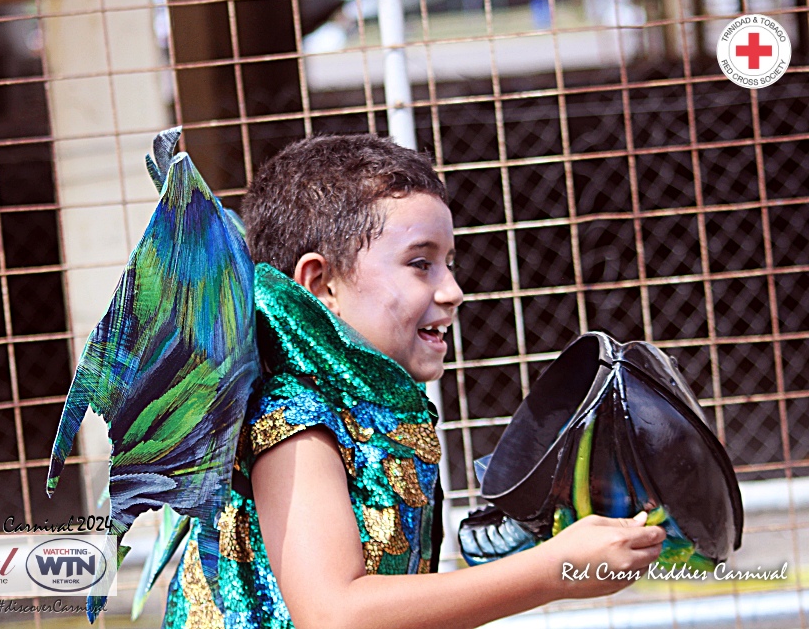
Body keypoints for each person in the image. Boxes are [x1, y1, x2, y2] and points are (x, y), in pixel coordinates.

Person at [162, 133, 665, 629]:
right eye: (420, 264)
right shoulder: (292, 416)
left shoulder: (372, 408)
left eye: (449, 264)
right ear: (321, 284)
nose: (453, 291)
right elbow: (336, 614)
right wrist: (551, 570)